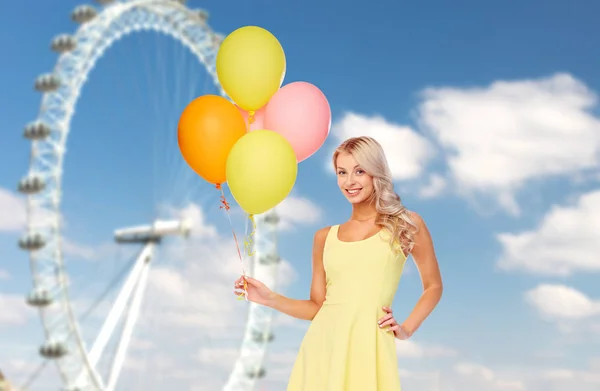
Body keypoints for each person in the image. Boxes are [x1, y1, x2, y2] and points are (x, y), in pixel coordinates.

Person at [233, 136, 443, 390]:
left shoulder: (406, 224)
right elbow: (316, 307)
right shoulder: (324, 237)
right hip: (322, 348)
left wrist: (407, 328)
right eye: (341, 172)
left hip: (370, 347)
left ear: (376, 173)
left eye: (359, 171)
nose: (349, 182)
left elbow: (433, 286)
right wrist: (269, 299)